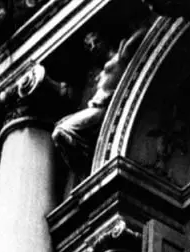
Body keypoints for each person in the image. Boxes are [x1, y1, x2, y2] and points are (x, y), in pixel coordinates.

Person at [51, 27, 146, 171]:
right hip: (95, 110)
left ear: (106, 41)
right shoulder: (97, 75)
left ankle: (85, 166)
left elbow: (143, 30)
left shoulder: (120, 56)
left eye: (96, 42)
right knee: (60, 127)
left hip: (102, 110)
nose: (93, 47)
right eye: (89, 46)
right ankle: (86, 164)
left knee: (61, 131)